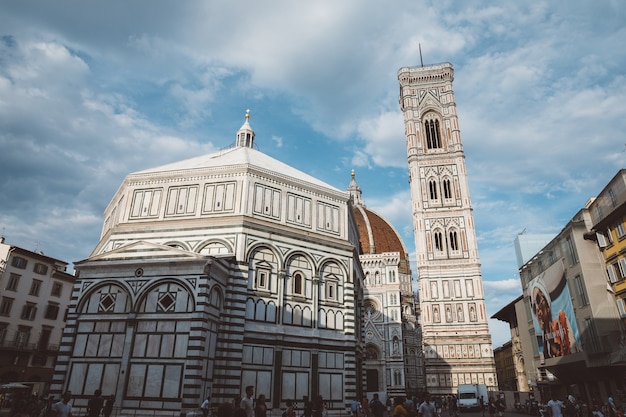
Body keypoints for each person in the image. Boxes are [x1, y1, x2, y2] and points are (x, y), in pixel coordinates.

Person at [530, 278, 578, 359]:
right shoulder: (544, 349)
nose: (537, 309)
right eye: (534, 307)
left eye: (538, 300)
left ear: (548, 306)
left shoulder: (562, 321)